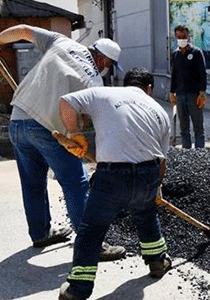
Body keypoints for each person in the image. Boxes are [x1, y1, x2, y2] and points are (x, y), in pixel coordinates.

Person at [0, 25, 125, 260]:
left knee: (32, 183)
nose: (106, 69)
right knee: (76, 183)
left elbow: (24, 30)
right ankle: (91, 245)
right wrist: (77, 136)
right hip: (49, 130)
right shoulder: (95, 82)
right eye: (108, 64)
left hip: (18, 121)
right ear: (101, 58)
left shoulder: (62, 42)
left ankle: (40, 234)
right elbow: (85, 118)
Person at [58, 67, 172, 300]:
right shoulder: (160, 111)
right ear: (149, 89)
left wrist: (74, 133)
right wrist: (155, 189)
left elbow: (66, 102)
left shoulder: (104, 94)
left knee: (92, 230)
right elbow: (162, 161)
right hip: (147, 173)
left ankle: (77, 290)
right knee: (147, 214)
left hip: (112, 176)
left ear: (125, 83)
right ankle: (158, 262)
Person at [170, 25, 207, 149]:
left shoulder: (196, 53)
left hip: (194, 95)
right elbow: (174, 75)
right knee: (183, 128)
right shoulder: (175, 55)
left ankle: (199, 153)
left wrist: (202, 92)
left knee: (198, 127)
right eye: (179, 37)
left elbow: (202, 73)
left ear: (188, 37)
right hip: (180, 96)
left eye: (183, 37)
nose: (181, 39)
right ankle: (186, 155)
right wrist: (172, 92)